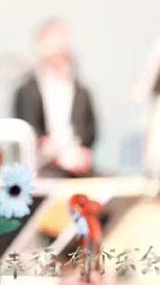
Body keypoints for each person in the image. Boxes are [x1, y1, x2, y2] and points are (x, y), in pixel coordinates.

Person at [13, 20, 98, 177]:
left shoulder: (81, 91)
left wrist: (82, 154)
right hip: (43, 167)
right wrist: (50, 152)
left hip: (78, 166)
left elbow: (90, 132)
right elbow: (27, 131)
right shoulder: (27, 91)